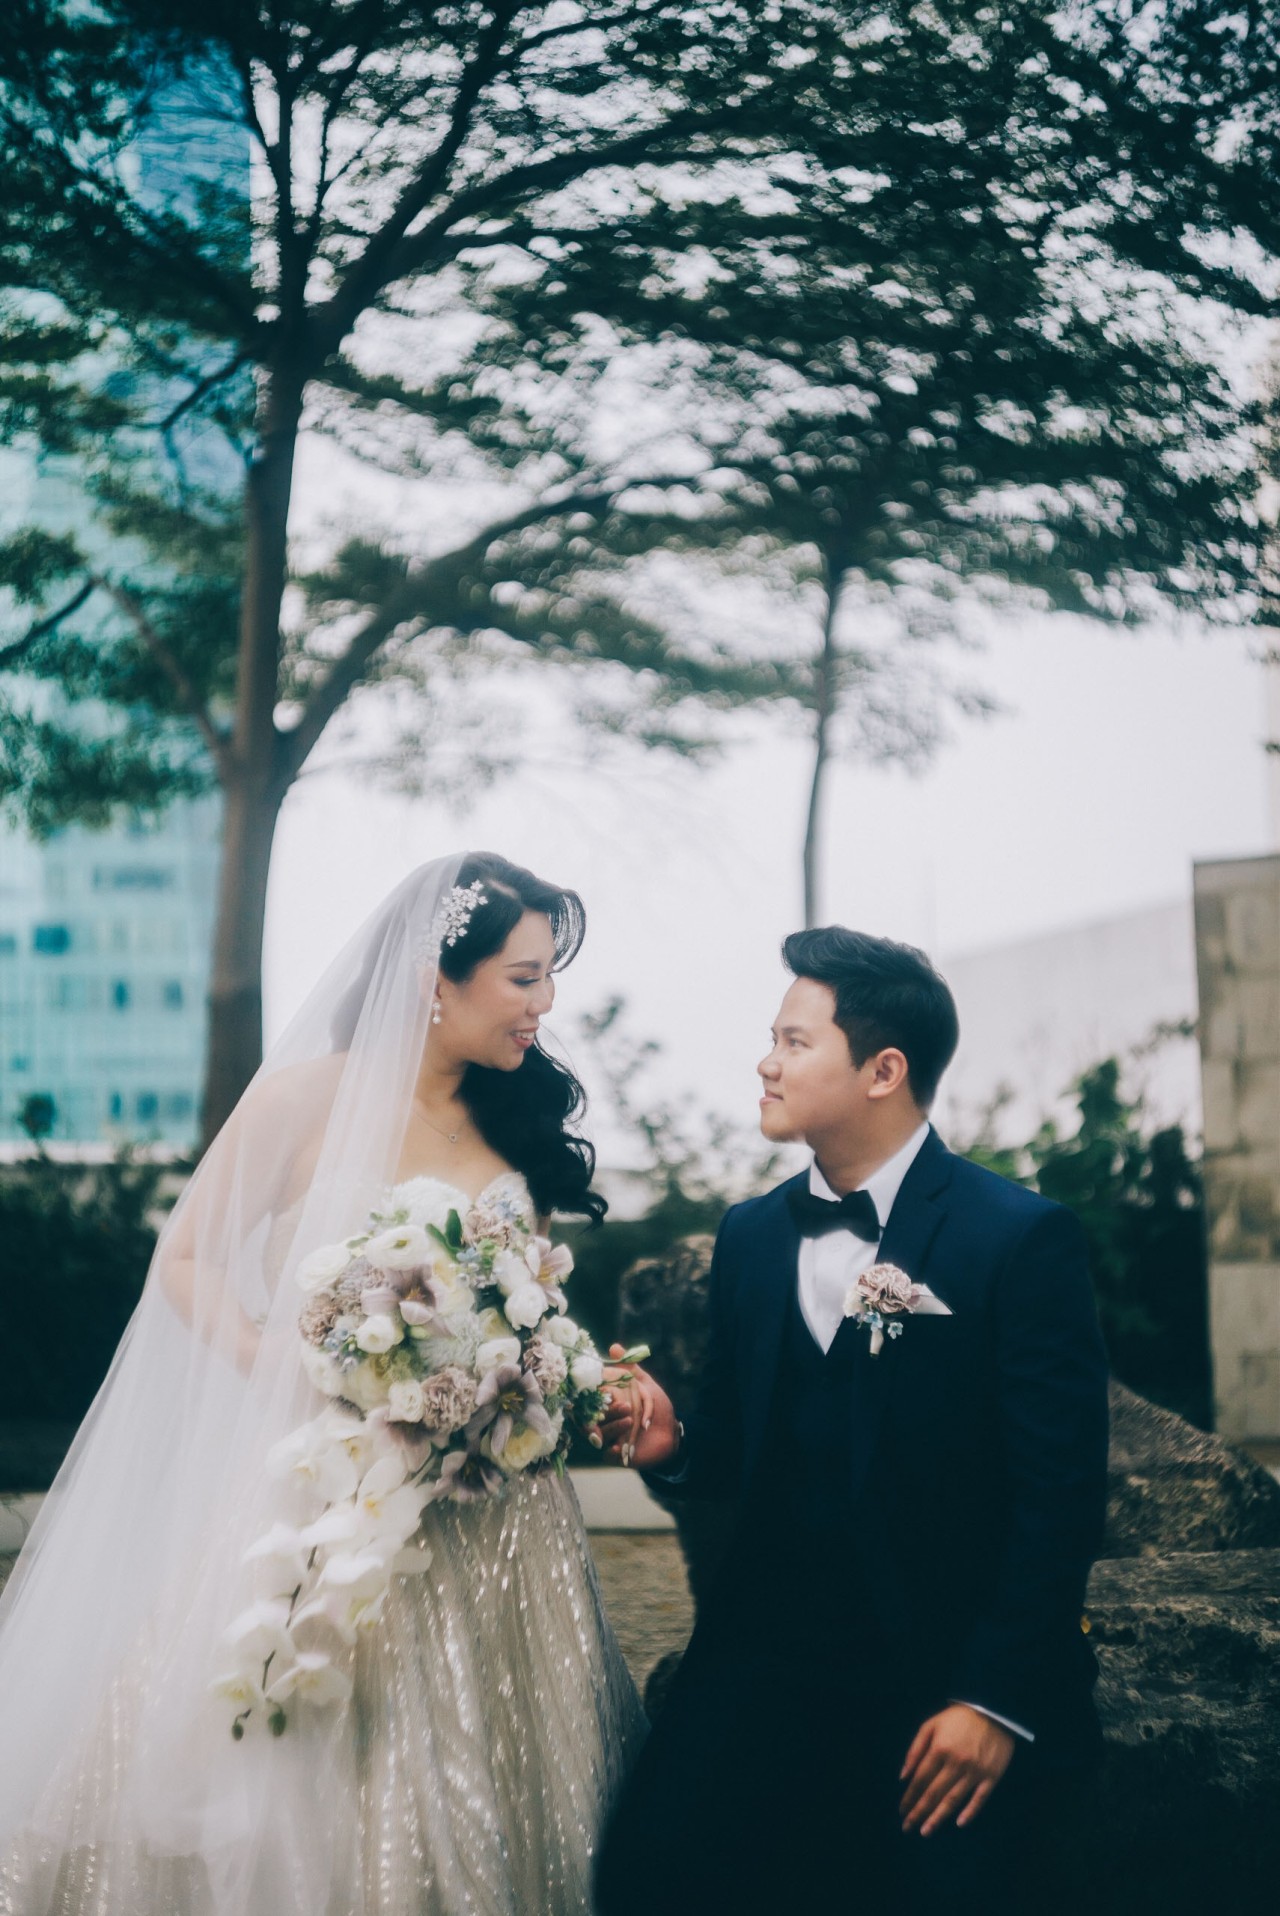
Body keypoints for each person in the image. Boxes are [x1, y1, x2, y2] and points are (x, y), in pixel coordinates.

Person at [0, 852, 644, 1916]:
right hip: (324, 1479)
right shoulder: (305, 1099)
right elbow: (189, 1256)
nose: (544, 1004)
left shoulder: (513, 1116)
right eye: (524, 977)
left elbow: (529, 1297)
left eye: (548, 978)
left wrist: (558, 1371)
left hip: (493, 1511)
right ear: (436, 980)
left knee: (499, 1756)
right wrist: (272, 1358)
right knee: (306, 1725)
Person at [595, 926, 1109, 1916]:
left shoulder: (1018, 1237)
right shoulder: (749, 1235)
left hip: (937, 1670)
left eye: (794, 1041)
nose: (766, 1061)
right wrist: (671, 1442)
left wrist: (991, 1701)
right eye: (771, 1038)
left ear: (883, 1070)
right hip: (763, 1658)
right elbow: (736, 1447)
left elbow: (1060, 1497)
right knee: (643, 1875)